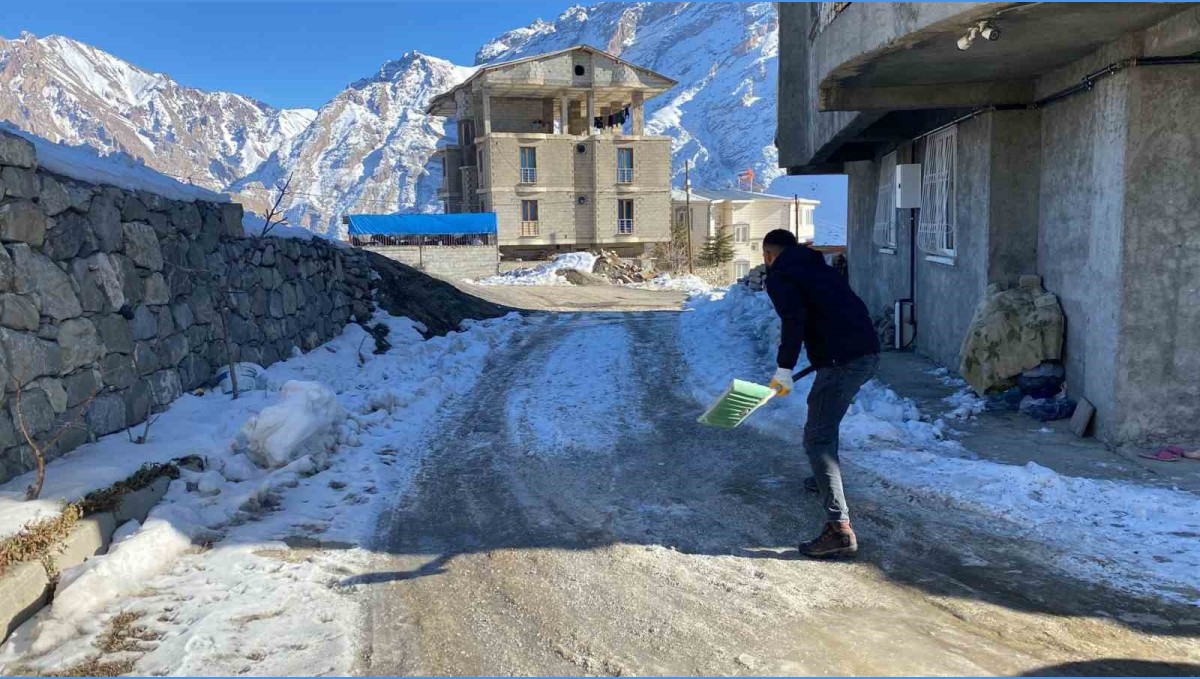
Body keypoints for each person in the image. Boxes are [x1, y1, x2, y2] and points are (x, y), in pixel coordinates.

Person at [761, 229, 880, 558]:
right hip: (867, 352)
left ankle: (839, 529)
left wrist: (784, 367)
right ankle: (824, 479)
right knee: (824, 420)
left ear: (769, 255)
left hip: (843, 362)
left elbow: (793, 320)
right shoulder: (819, 267)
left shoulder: (781, 275)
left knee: (817, 438)